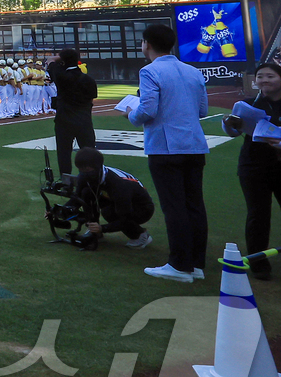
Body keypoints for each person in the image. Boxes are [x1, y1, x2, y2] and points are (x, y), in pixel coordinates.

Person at [128, 23, 210, 283]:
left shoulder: (150, 70)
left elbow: (147, 110)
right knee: (194, 205)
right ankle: (196, 263)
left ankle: (179, 265)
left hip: (166, 147)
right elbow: (203, 110)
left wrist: (130, 114)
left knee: (174, 206)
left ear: (147, 44)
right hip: (194, 145)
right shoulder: (193, 71)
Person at [221, 61, 281, 280]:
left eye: (270, 76)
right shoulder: (247, 105)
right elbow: (234, 133)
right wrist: (229, 124)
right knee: (258, 214)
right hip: (253, 166)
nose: (264, 80)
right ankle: (258, 263)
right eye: (260, 76)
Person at [71, 147, 155, 248]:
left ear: (96, 167)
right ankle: (93, 230)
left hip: (142, 208)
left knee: (110, 213)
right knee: (86, 193)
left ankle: (140, 235)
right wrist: (61, 210)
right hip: (114, 199)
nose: (83, 173)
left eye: (87, 169)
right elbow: (77, 197)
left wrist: (103, 228)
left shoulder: (118, 184)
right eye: (80, 169)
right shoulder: (88, 175)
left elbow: (125, 217)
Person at [47, 49, 99, 176]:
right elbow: (91, 100)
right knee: (89, 153)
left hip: (64, 120)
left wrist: (59, 59)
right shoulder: (89, 80)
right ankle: (90, 178)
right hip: (84, 121)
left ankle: (66, 180)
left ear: (63, 62)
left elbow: (50, 61)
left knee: (64, 152)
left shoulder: (61, 76)